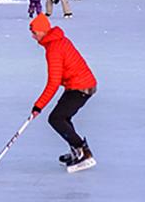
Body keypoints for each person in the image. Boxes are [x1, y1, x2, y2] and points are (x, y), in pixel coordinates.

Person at [28, 13, 97, 171]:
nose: (33, 36)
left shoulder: (54, 49)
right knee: (63, 117)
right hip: (78, 84)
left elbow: (53, 82)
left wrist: (38, 106)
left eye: (35, 32)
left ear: (44, 31)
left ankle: (84, 153)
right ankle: (76, 150)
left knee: (56, 118)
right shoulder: (57, 41)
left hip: (81, 87)